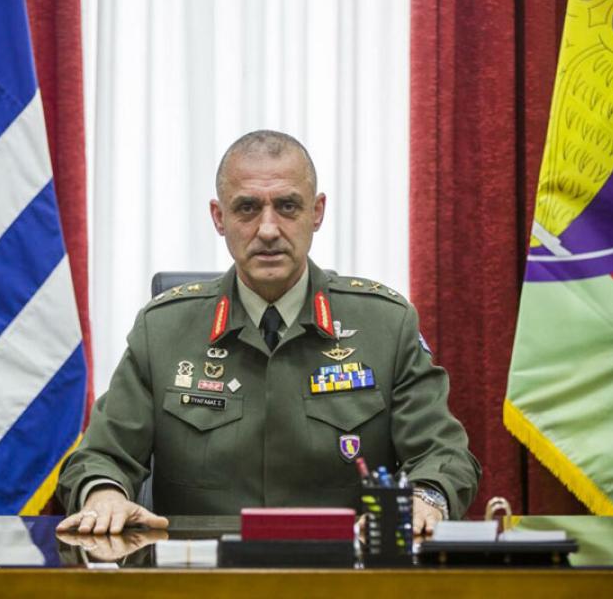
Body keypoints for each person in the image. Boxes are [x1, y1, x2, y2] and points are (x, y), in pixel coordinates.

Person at [56, 130, 480, 536]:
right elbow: (101, 456)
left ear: (317, 212)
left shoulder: (384, 325)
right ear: (219, 217)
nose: (268, 229)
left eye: (288, 206)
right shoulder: (162, 330)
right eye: (247, 208)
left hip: (345, 572)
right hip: (201, 574)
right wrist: (104, 496)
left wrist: (426, 499)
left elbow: (442, 453)